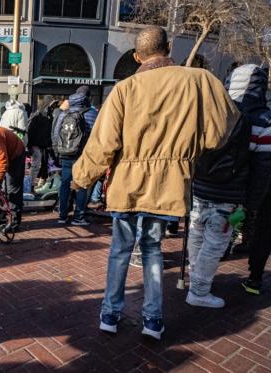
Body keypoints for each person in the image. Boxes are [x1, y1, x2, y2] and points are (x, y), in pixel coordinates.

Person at [71, 26, 239, 340]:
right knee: (152, 250)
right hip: (168, 185)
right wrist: (186, 150)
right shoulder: (199, 81)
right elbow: (220, 133)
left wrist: (81, 179)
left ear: (137, 56)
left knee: (120, 251)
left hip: (127, 185)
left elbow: (103, 144)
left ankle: (110, 314)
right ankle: (152, 320)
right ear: (169, 47)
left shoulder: (124, 89)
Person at [186, 98, 250, 307]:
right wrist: (252, 201)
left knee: (196, 233)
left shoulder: (208, 113)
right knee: (213, 245)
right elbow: (262, 166)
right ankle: (199, 290)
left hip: (200, 186)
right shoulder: (254, 119)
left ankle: (195, 277)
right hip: (228, 194)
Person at [225, 64, 271, 296]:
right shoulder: (266, 119)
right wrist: (251, 203)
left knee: (224, 222)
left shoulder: (225, 114)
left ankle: (216, 259)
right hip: (259, 190)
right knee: (263, 231)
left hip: (228, 184)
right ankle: (254, 278)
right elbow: (263, 168)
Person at [52, 87, 98, 226]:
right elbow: (97, 135)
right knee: (81, 185)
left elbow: (55, 133)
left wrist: (58, 151)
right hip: (83, 155)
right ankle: (78, 217)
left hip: (65, 153)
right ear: (88, 98)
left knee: (65, 184)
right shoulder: (92, 113)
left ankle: (63, 215)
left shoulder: (64, 113)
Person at [27, 95, 57, 189]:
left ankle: (40, 183)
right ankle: (30, 185)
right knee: (36, 165)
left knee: (45, 165)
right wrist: (30, 146)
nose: (53, 107)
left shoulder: (49, 116)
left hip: (45, 145)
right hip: (36, 145)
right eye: (51, 105)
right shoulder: (37, 115)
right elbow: (30, 130)